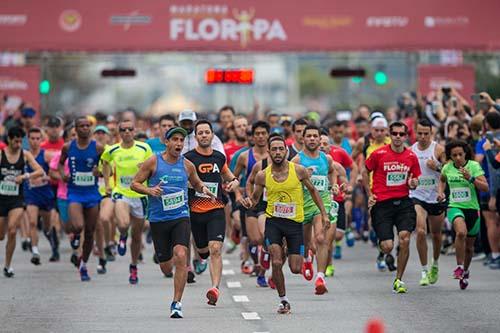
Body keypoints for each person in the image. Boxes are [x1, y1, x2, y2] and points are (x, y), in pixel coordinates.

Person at [131, 127, 215, 318]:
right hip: (158, 219)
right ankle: (163, 257)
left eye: (181, 140)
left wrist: (204, 189)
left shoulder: (187, 165)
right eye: (175, 140)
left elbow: (196, 182)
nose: (178, 144)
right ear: (166, 142)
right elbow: (134, 183)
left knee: (181, 254)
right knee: (166, 266)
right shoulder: (153, 161)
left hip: (180, 216)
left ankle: (176, 302)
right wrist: (149, 191)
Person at [242, 135, 329, 314]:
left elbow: (313, 191)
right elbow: (256, 199)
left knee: (295, 268)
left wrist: (324, 214)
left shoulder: (298, 171)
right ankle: (283, 300)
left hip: (294, 223)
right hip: (273, 221)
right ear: (269, 152)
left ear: (286, 151)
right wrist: (249, 202)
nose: (278, 152)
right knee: (276, 259)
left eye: (281, 149)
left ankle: (293, 249)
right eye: (274, 149)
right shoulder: (262, 175)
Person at [184, 120, 240, 305]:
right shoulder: (188, 158)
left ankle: (214, 288)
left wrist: (234, 183)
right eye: (200, 133)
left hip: (216, 208)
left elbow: (230, 176)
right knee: (203, 249)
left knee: (216, 249)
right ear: (195, 137)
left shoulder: (219, 157)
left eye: (207, 132)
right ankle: (200, 256)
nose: (204, 135)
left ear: (212, 135)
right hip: (195, 211)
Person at [363, 121, 421, 293]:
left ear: (406, 136)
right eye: (394, 133)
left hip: (403, 202)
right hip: (382, 204)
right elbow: (364, 171)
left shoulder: (411, 156)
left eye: (401, 134)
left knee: (405, 238)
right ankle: (386, 250)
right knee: (387, 246)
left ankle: (399, 279)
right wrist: (369, 194)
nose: (397, 137)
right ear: (390, 135)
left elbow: (416, 178)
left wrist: (413, 183)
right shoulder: (379, 154)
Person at [101, 119, 153, 284]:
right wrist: (108, 184)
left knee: (137, 236)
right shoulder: (113, 149)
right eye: (123, 130)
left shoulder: (144, 148)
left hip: (139, 195)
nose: (127, 132)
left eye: (130, 129)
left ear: (134, 131)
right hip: (121, 192)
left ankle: (133, 266)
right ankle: (122, 236)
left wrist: (144, 168)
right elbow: (105, 163)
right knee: (123, 224)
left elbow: (153, 166)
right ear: (119, 133)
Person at [291, 125, 338, 295]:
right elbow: (289, 182)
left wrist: (333, 185)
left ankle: (320, 277)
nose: (312, 139)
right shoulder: (296, 161)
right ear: (303, 139)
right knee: (308, 242)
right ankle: (306, 258)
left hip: (321, 204)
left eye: (314, 136)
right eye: (308, 136)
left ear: (320, 139)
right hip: (303, 206)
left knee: (320, 238)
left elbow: (333, 172)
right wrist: (304, 177)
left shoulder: (327, 159)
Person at [438, 140, 489, 290]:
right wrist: (440, 192)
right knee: (461, 233)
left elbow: (485, 187)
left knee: (469, 248)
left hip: (473, 209)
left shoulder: (473, 166)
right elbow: (442, 180)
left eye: (460, 154)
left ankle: (465, 271)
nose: (458, 157)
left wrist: (471, 179)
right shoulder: (447, 167)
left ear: (465, 153)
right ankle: (459, 267)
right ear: (450, 156)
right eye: (454, 155)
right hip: (455, 207)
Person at [58, 116, 104, 281]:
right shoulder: (68, 147)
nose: (85, 128)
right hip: (75, 192)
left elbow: (107, 167)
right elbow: (60, 164)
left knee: (90, 232)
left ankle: (83, 263)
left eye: (87, 125)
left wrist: (99, 172)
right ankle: (76, 236)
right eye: (81, 126)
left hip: (92, 193)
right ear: (75, 130)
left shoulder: (98, 148)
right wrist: (63, 175)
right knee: (78, 225)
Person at [1, 126, 44, 277]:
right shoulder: (1, 155)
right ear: (9, 140)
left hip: (16, 199)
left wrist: (25, 176)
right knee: (1, 235)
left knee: (12, 230)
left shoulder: (25, 154)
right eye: (16, 142)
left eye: (20, 141)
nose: (18, 145)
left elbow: (40, 171)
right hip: (1, 199)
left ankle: (7, 265)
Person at [233, 121, 270, 287]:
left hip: (271, 202)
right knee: (255, 239)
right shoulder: (243, 157)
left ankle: (263, 266)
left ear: (268, 135)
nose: (261, 136)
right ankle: (258, 265)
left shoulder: (278, 155)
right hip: (252, 202)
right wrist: (240, 195)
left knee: (266, 239)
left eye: (264, 133)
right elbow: (233, 179)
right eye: (258, 134)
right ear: (253, 136)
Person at [409, 119, 447, 286]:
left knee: (437, 235)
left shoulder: (438, 149)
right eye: (420, 133)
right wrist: (410, 182)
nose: (423, 137)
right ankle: (424, 270)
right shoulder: (410, 151)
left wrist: (437, 166)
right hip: (417, 196)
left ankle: (435, 264)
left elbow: (448, 172)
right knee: (421, 231)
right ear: (415, 133)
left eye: (426, 134)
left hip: (436, 197)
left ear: (431, 133)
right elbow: (408, 173)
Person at [24, 128, 59, 265]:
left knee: (47, 226)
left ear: (41, 140)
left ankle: (53, 244)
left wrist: (46, 178)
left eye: (38, 138)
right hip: (31, 194)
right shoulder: (24, 155)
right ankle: (35, 251)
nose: (35, 141)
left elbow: (55, 174)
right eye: (32, 138)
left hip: (45, 194)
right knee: (32, 222)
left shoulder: (47, 155)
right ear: (28, 139)